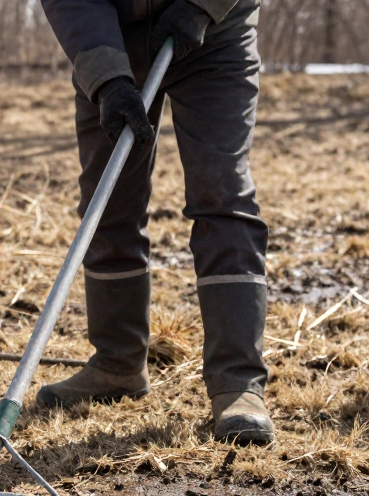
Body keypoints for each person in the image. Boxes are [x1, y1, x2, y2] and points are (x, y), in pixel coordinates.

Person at [35, 0, 274, 445]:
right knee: (108, 196)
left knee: (221, 190)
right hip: (114, 36)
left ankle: (237, 384)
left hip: (216, 28)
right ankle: (117, 363)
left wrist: (202, 6)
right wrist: (107, 80)